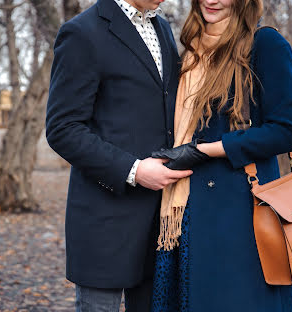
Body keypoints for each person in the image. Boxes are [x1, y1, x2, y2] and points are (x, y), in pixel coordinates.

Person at [149, 0, 292, 311]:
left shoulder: (265, 44)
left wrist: (205, 150)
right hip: (184, 215)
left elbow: (287, 130)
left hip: (241, 217)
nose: (213, 0)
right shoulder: (188, 50)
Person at [45, 0, 193, 310]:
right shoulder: (81, 33)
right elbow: (63, 128)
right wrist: (134, 170)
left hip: (160, 226)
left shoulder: (163, 28)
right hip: (105, 223)